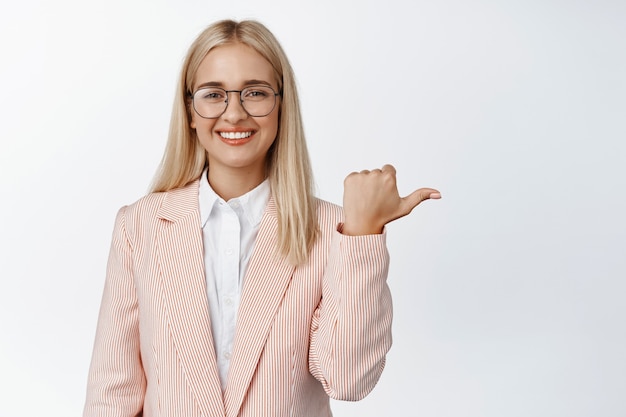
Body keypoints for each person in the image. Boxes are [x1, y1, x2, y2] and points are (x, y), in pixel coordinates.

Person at [83, 19, 440, 417]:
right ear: (190, 112)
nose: (234, 113)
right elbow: (111, 394)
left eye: (255, 92)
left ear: (281, 106)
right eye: (214, 94)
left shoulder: (333, 230)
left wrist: (363, 234)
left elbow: (347, 379)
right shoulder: (141, 226)